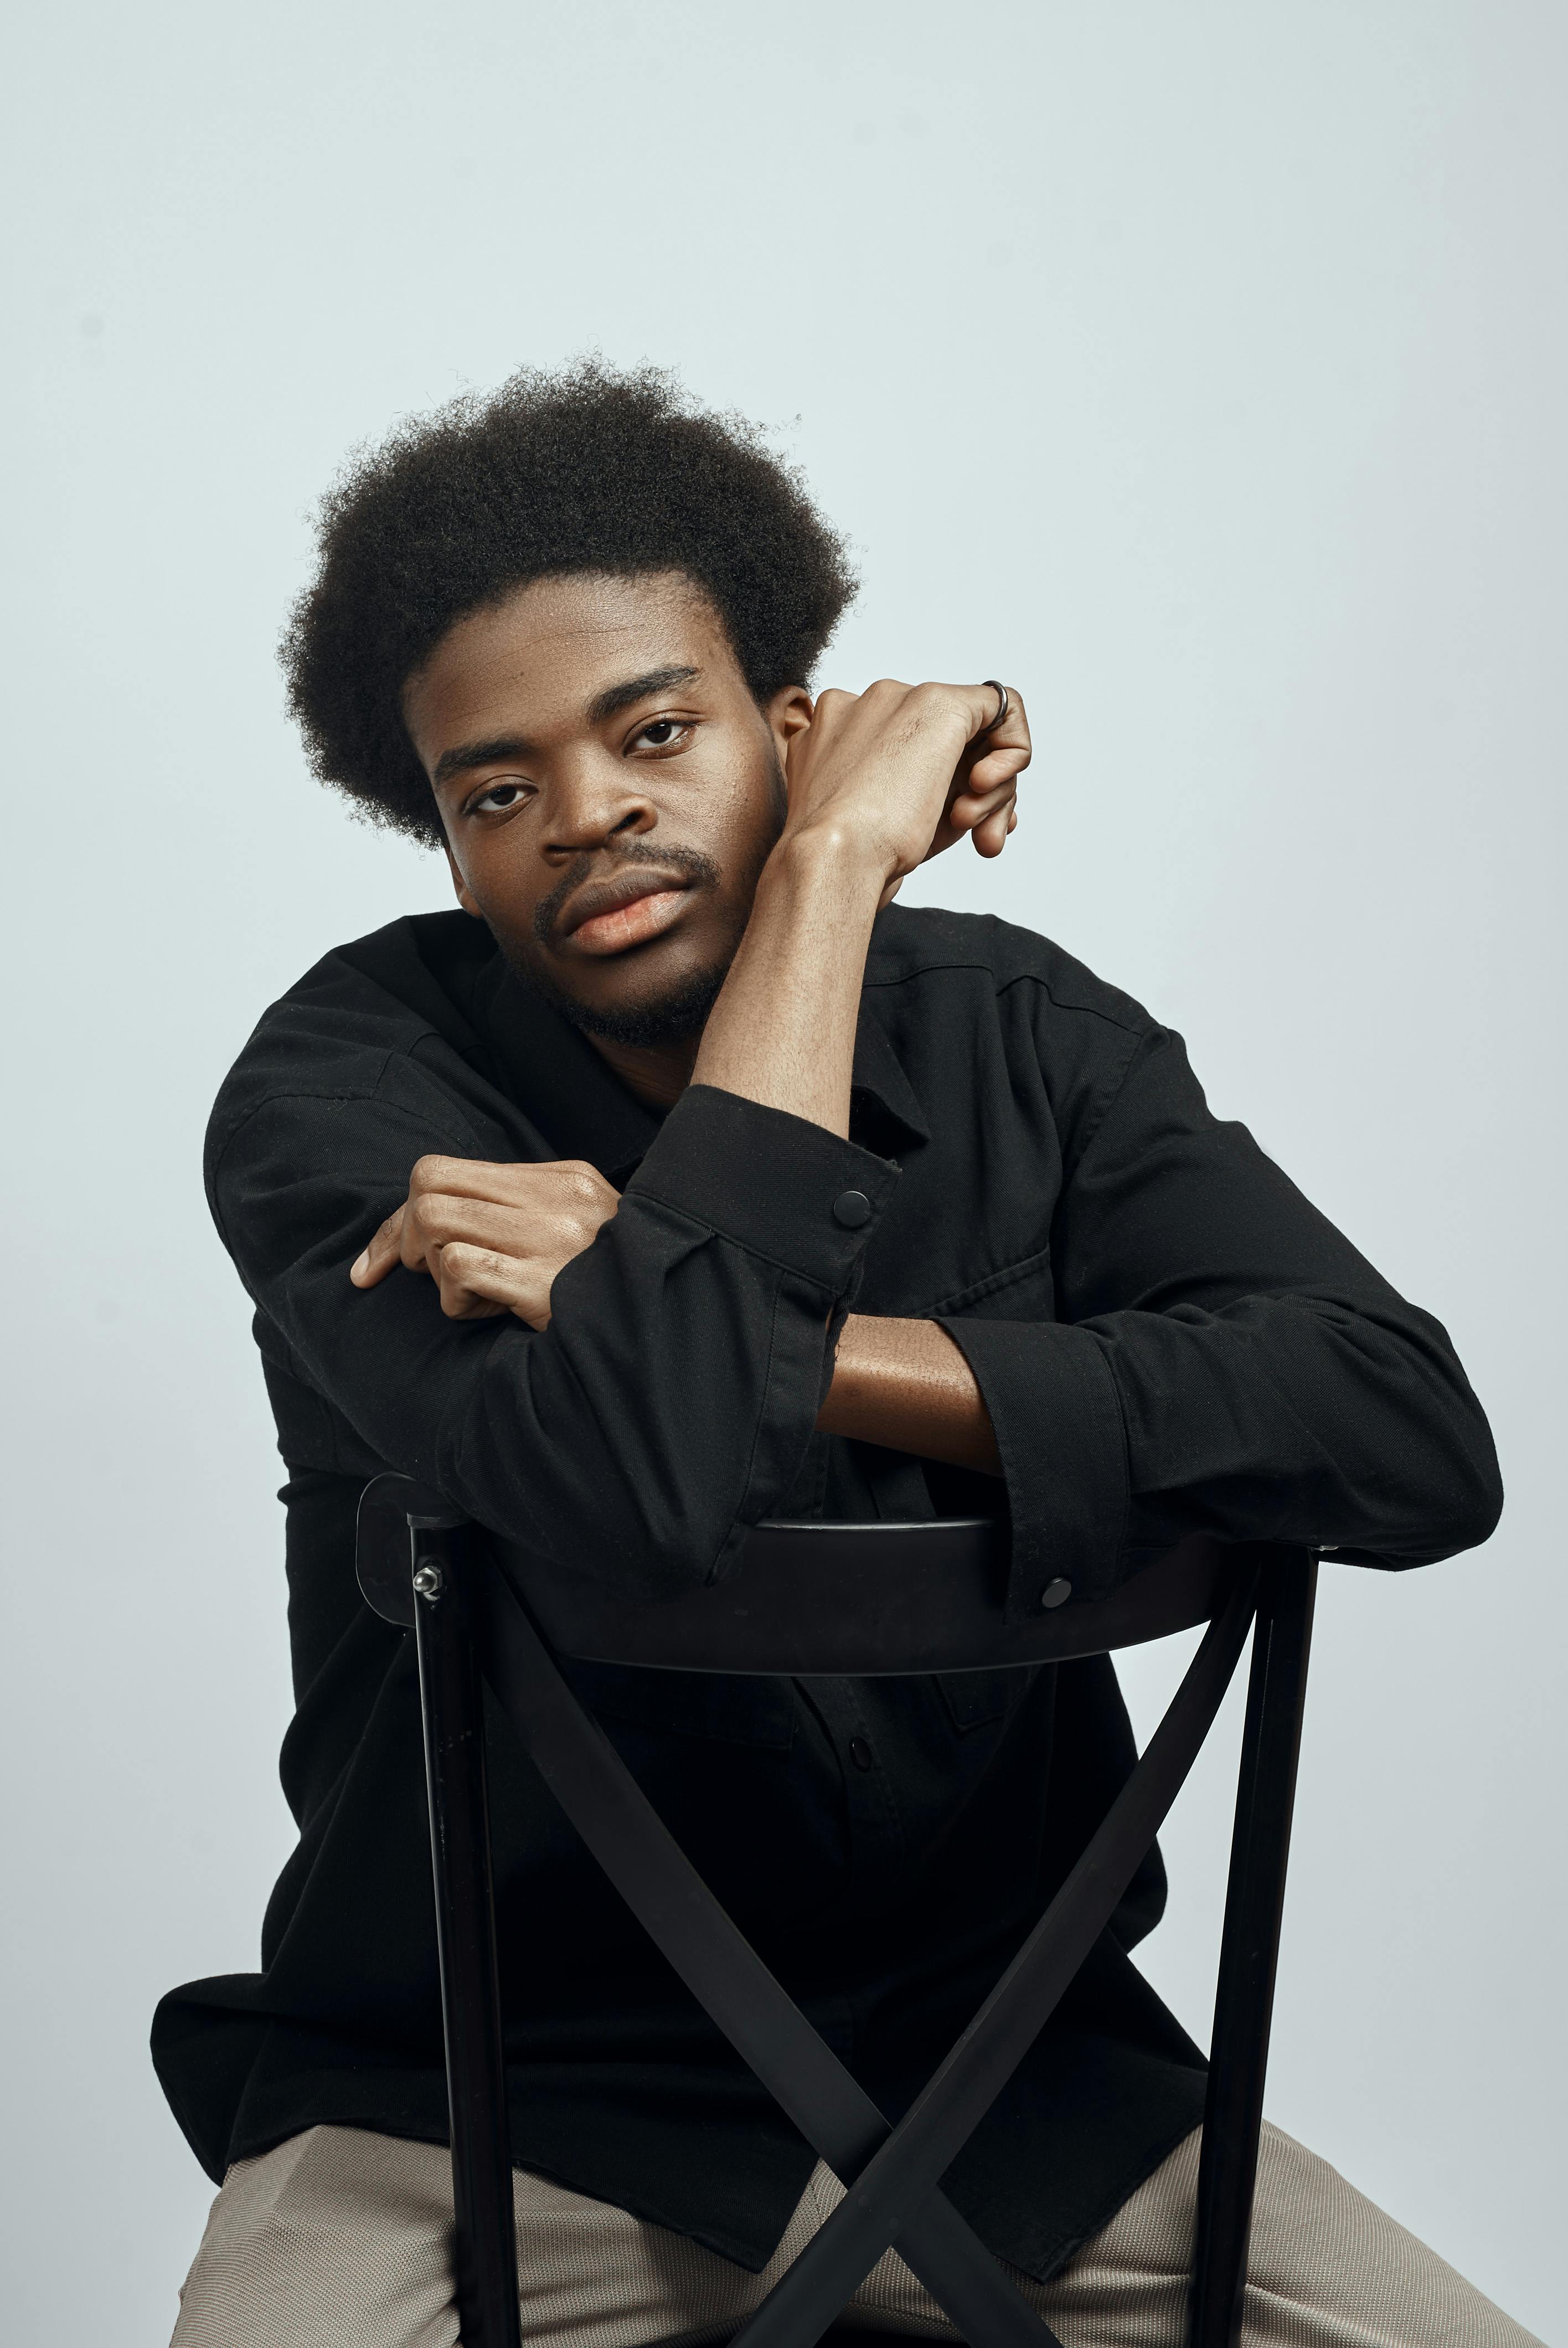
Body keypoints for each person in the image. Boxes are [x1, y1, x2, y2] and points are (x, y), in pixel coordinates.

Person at [158, 363, 1535, 2347]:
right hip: (481, 2103)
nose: (591, 814)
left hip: (1012, 2092)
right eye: (498, 789)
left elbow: (1409, 1442)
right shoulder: (346, 1100)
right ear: (443, 842)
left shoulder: (1023, 1039)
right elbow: (651, 1488)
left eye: (657, 732)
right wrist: (822, 895)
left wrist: (798, 956)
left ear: (793, 737)